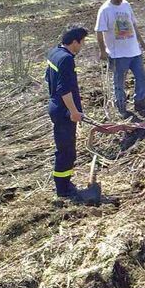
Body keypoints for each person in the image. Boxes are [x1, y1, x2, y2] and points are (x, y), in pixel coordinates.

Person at [45, 26, 100, 204]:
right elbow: (64, 89)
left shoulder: (54, 53)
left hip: (55, 107)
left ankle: (64, 184)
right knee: (66, 151)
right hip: (64, 112)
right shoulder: (67, 59)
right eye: (82, 42)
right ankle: (63, 189)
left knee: (65, 149)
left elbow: (49, 80)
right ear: (74, 41)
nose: (82, 46)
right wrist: (74, 111)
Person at [95, 0, 145, 118]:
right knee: (119, 82)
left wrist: (142, 42)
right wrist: (102, 51)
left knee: (141, 77)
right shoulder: (105, 10)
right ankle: (121, 108)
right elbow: (99, 32)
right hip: (117, 54)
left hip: (134, 51)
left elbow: (133, 25)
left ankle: (139, 100)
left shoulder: (126, 5)